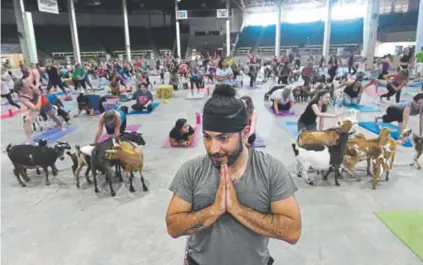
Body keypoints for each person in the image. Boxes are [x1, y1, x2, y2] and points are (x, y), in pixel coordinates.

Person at [165, 84, 301, 265]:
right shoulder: (191, 170)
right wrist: (214, 210)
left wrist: (237, 209)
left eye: (223, 138)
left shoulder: (271, 171)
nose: (213, 149)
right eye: (207, 137)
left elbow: (293, 232)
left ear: (245, 133)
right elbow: (173, 227)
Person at [15, 78, 65, 144]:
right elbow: (36, 108)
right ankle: (29, 140)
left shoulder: (31, 87)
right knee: (27, 120)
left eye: (26, 83)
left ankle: (61, 125)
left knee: (52, 115)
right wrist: (38, 95)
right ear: (21, 88)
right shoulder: (22, 97)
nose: (27, 84)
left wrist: (38, 92)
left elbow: (37, 87)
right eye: (25, 84)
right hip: (34, 105)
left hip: (43, 102)